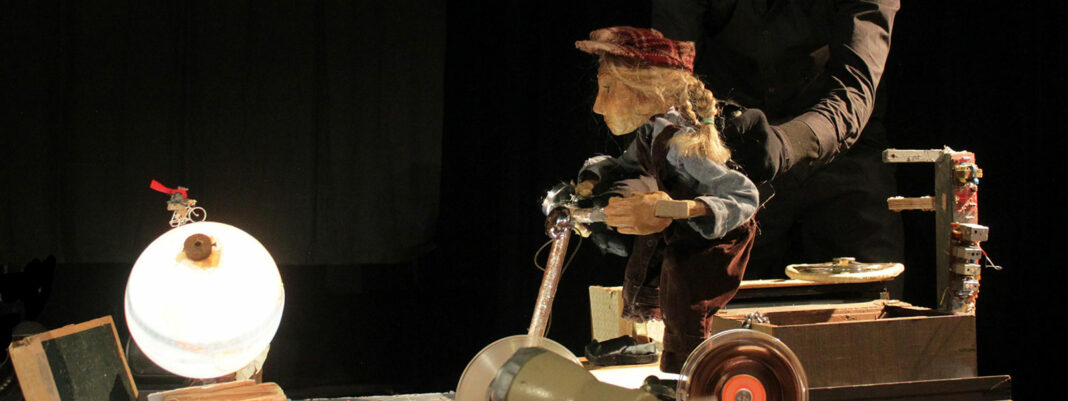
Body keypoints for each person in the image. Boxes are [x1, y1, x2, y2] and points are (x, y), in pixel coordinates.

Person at [651, 0, 905, 289]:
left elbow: (853, 92)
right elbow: (668, 77)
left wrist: (785, 144)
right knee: (707, 304)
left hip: (843, 153)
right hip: (732, 152)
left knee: (872, 297)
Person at [573, 26, 758, 373]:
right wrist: (592, 178)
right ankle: (650, 349)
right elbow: (625, 165)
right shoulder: (652, 130)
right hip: (680, 232)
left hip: (712, 241)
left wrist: (673, 209)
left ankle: (689, 375)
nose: (598, 105)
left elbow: (744, 197)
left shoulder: (681, 145)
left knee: (685, 303)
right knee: (649, 275)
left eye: (608, 89)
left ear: (648, 91)